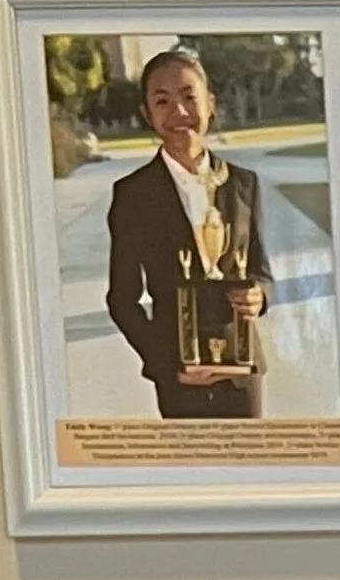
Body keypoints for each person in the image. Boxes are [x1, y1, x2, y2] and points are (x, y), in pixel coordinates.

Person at [104, 48, 272, 421]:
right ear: (147, 114)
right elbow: (122, 300)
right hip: (179, 377)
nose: (179, 111)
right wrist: (166, 363)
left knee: (249, 459)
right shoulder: (133, 195)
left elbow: (260, 271)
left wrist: (259, 296)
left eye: (189, 97)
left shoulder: (243, 184)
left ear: (210, 103)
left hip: (242, 370)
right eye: (162, 101)